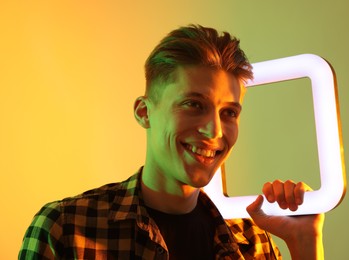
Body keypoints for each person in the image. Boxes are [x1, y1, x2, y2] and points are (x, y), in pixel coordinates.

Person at [19, 24, 324, 259]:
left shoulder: (251, 241)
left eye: (229, 112)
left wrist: (304, 242)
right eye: (194, 104)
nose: (215, 130)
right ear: (144, 112)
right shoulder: (66, 228)